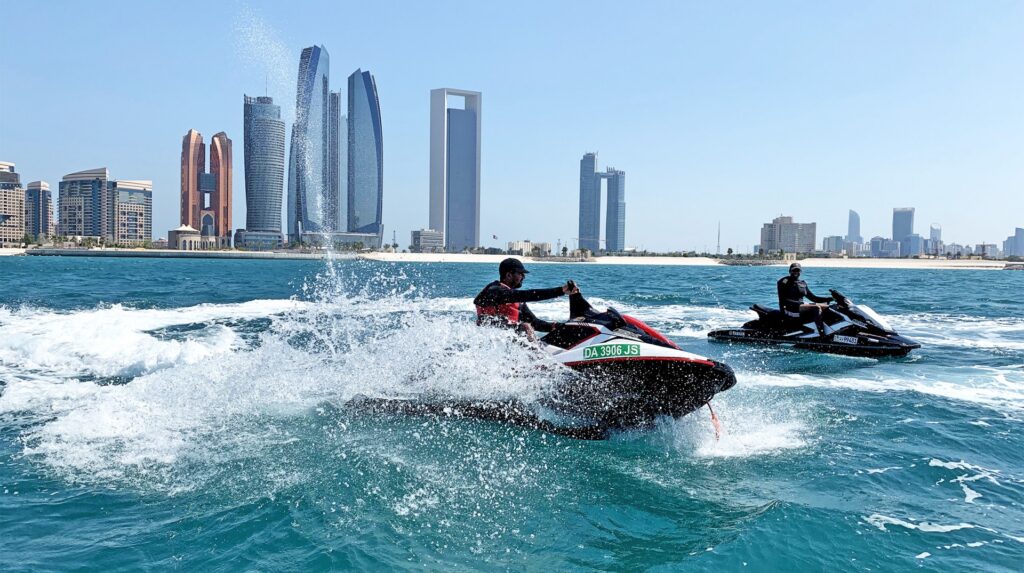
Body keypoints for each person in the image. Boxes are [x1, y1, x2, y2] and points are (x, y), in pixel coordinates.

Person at [474, 258, 578, 340]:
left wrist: (561, 326)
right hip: (493, 340)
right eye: (520, 273)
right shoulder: (494, 291)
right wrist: (561, 291)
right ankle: (539, 362)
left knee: (529, 325)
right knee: (525, 327)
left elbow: (536, 323)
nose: (523, 277)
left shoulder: (517, 301)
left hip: (510, 341)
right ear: (509, 275)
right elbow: (529, 295)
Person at [777, 262, 833, 337]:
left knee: (828, 307)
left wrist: (829, 299)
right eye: (794, 270)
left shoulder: (802, 283)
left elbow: (813, 298)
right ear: (790, 271)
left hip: (801, 306)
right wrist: (783, 314)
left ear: (800, 272)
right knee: (816, 308)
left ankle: (831, 331)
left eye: (798, 271)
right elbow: (783, 299)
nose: (796, 272)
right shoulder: (784, 282)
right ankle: (822, 335)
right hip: (790, 308)